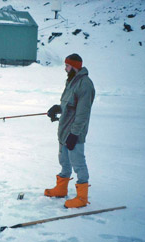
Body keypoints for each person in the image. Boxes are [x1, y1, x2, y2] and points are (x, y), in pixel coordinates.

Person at [45, 54, 95, 208]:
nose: (65, 69)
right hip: (64, 130)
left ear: (74, 66)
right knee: (64, 162)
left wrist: (74, 134)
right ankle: (61, 189)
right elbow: (69, 105)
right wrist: (57, 108)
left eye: (67, 66)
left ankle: (81, 197)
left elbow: (82, 113)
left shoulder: (85, 84)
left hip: (75, 133)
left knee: (78, 163)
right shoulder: (71, 81)